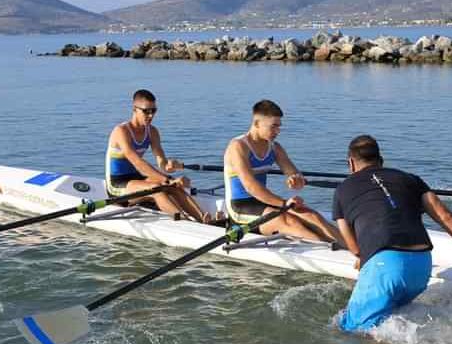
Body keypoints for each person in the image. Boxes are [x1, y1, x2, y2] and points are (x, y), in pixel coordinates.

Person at [333, 135, 452, 331]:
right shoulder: (410, 179)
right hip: (421, 265)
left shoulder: (342, 190)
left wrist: (363, 256)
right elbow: (445, 217)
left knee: (351, 330)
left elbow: (352, 246)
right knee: (391, 323)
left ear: (350, 163)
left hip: (385, 266)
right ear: (381, 160)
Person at [223, 100, 344, 245]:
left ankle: (354, 250)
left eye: (279, 126)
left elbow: (293, 173)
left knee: (312, 216)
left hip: (264, 203)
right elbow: (251, 187)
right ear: (256, 123)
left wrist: (295, 179)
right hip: (240, 208)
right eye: (273, 126)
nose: (278, 131)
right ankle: (331, 253)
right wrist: (283, 203)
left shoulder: (275, 148)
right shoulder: (238, 147)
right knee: (289, 221)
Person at [106, 89, 211, 222]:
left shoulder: (153, 132)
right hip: (117, 185)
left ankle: (204, 219)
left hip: (136, 179)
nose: (150, 115)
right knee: (158, 189)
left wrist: (170, 167)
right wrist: (167, 180)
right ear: (135, 109)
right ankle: (186, 222)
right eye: (146, 111)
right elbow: (137, 162)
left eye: (154, 111)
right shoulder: (121, 131)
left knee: (175, 187)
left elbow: (162, 162)